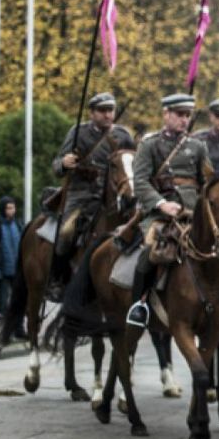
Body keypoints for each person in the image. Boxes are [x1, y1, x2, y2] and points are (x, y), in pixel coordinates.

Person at [126, 94, 211, 327]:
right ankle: (140, 304)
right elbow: (140, 181)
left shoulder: (197, 146)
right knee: (153, 250)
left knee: (218, 248)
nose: (184, 120)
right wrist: (162, 204)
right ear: (166, 114)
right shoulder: (149, 144)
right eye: (179, 115)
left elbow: (206, 182)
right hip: (158, 213)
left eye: (187, 115)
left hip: (192, 212)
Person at [47, 92, 135, 299]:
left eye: (110, 110)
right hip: (82, 193)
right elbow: (57, 165)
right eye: (102, 111)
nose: (107, 115)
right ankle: (57, 278)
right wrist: (64, 163)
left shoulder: (123, 135)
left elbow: (133, 163)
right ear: (92, 113)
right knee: (66, 233)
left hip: (115, 193)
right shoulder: (78, 132)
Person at [0, 196, 23, 316]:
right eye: (8, 208)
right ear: (2, 210)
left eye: (13, 207)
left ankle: (19, 328)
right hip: (2, 272)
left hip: (17, 271)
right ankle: (4, 330)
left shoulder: (18, 225)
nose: (12, 210)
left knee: (19, 301)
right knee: (4, 304)